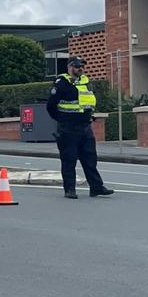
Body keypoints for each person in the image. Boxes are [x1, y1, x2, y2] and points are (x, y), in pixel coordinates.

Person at [46, 57, 114, 199]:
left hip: (85, 126)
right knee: (69, 159)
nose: (81, 69)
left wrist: (89, 115)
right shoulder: (61, 83)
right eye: (77, 66)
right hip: (67, 127)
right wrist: (62, 120)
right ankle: (70, 189)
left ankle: (96, 187)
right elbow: (51, 106)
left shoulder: (86, 82)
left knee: (90, 158)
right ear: (70, 67)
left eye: (82, 66)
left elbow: (87, 102)